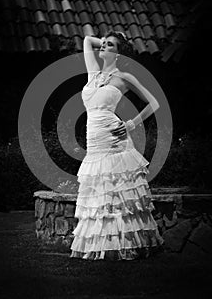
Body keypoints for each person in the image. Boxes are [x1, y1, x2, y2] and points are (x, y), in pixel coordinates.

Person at [70, 30, 164, 261]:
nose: (102, 46)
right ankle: (102, 246)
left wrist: (132, 124)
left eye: (109, 45)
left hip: (115, 139)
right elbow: (87, 40)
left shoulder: (124, 78)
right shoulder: (94, 72)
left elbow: (154, 103)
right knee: (99, 194)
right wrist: (108, 37)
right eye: (103, 44)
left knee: (120, 194)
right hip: (94, 140)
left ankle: (128, 245)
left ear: (118, 54)